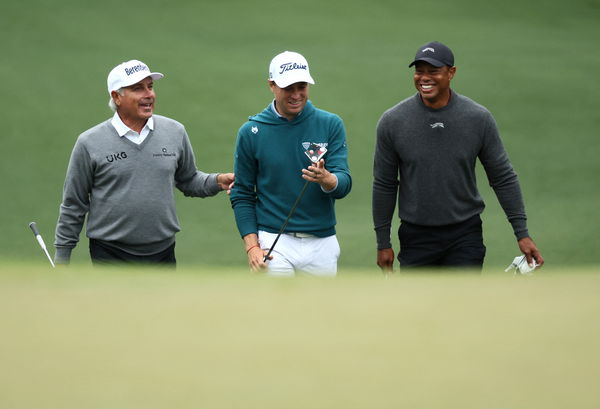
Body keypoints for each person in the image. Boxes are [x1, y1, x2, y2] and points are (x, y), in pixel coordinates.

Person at [372, 41, 544, 271]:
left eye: (433, 71)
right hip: (416, 237)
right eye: (419, 71)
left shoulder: (478, 118)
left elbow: (502, 177)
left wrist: (521, 233)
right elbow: (384, 184)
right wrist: (383, 243)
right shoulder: (392, 121)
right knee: (418, 306)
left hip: (465, 235)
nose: (424, 78)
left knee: (465, 305)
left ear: (451, 73)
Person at [54, 59, 234, 266]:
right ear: (116, 97)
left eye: (150, 87)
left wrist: (218, 181)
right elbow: (73, 204)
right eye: (137, 89)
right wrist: (62, 259)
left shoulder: (174, 131)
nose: (149, 94)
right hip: (110, 254)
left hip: (163, 252)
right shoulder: (89, 142)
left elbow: (188, 179)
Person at [230, 51, 352, 276]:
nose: (296, 94)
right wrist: (252, 246)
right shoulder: (251, 132)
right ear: (272, 85)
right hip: (274, 241)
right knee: (277, 309)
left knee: (321, 311)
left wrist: (327, 179)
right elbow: (242, 193)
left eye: (302, 86)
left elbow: (343, 184)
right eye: (289, 88)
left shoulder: (330, 124)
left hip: (322, 241)